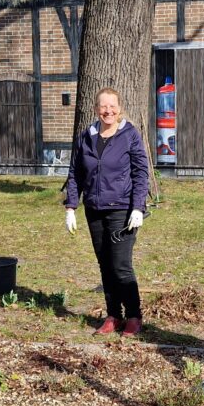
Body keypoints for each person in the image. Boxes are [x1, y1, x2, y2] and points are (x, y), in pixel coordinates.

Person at [64, 88, 149, 336]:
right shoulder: (86, 136)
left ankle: (133, 316)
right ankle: (114, 315)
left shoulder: (129, 135)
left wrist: (137, 207)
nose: (108, 111)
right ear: (96, 109)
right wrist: (71, 207)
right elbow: (75, 173)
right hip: (94, 210)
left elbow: (140, 173)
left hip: (122, 210)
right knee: (105, 265)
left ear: (119, 108)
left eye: (112, 106)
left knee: (121, 266)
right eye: (103, 106)